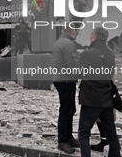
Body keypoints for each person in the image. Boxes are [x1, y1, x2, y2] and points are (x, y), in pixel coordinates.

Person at [75, 27, 120, 157]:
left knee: (84, 133)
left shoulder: (87, 53)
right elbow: (110, 74)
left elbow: (77, 72)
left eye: (90, 35)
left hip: (90, 99)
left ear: (94, 37)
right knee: (111, 134)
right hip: (107, 98)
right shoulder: (111, 53)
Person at [52, 23, 79, 154]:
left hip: (63, 79)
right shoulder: (68, 44)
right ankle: (62, 140)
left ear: (62, 30)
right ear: (73, 32)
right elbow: (73, 63)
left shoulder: (60, 41)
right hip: (66, 80)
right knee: (66, 110)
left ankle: (68, 136)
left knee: (69, 109)